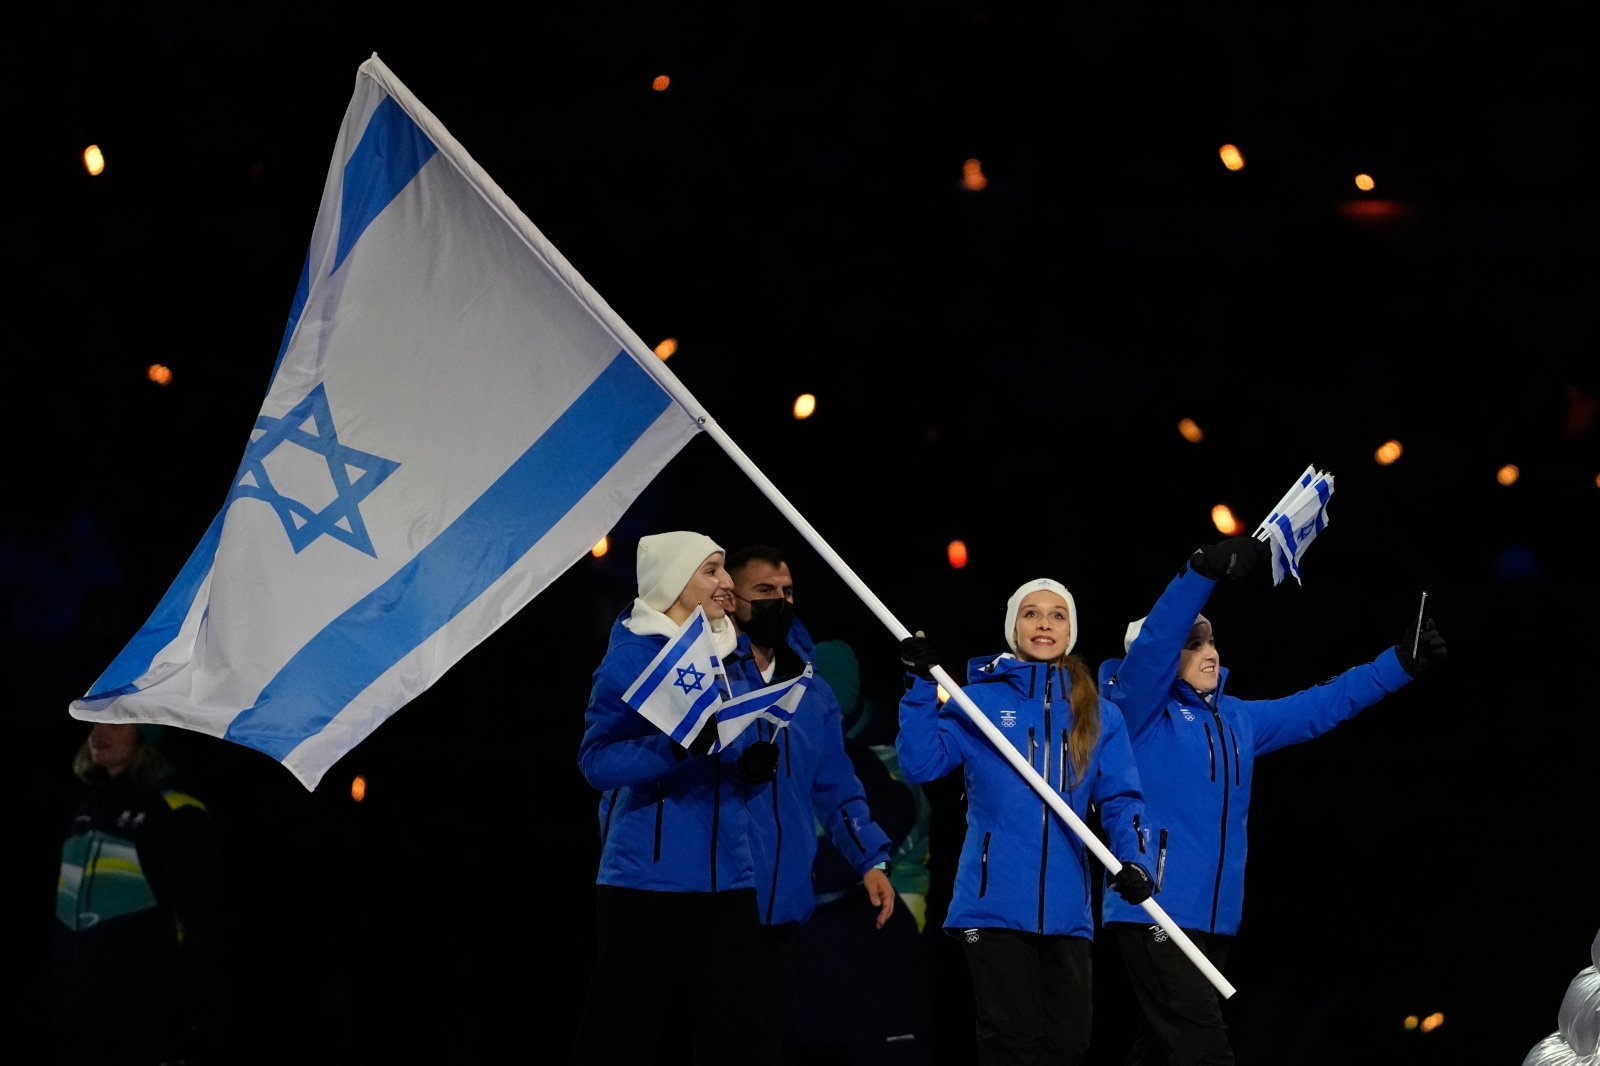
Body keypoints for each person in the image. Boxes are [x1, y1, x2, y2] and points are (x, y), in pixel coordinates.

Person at [1097, 535, 1449, 1065]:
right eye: (1192, 643)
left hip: (1214, 919)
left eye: (1211, 640)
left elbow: (1320, 706)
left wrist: (1396, 665)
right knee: (1204, 1048)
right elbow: (1154, 645)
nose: (1210, 651)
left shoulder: (1238, 719)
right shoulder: (1137, 714)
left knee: (1160, 1051)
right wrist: (1201, 573)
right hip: (1153, 905)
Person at [896, 578, 1155, 1066]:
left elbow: (1121, 800)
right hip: (991, 906)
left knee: (1068, 1044)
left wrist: (1134, 860)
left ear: (1071, 630)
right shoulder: (979, 702)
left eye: (1057, 615)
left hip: (1068, 912)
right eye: (1031, 613)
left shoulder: (1100, 714)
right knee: (1012, 1044)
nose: (1044, 624)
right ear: (1013, 628)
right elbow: (921, 763)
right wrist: (920, 686)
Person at [570, 531, 776, 1066]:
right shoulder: (632, 656)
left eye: (724, 569)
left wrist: (754, 765)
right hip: (646, 881)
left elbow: (731, 738)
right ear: (674, 581)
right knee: (625, 1037)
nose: (727, 583)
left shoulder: (734, 652)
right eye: (712, 570)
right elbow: (597, 762)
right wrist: (676, 747)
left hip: (729, 877)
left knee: (736, 1039)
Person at [721, 545, 898, 1064]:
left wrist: (870, 859)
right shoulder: (704, 678)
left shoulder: (811, 692)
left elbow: (835, 787)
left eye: (787, 591)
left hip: (785, 906)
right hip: (717, 901)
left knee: (767, 1044)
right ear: (730, 598)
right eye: (764, 591)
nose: (780, 600)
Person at [53, 722, 225, 1066]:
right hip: (77, 1015)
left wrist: (189, 1014)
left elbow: (203, 918)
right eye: (95, 720)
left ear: (146, 734)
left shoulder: (176, 808)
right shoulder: (86, 807)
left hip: (143, 1018)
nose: (99, 731)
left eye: (116, 721)